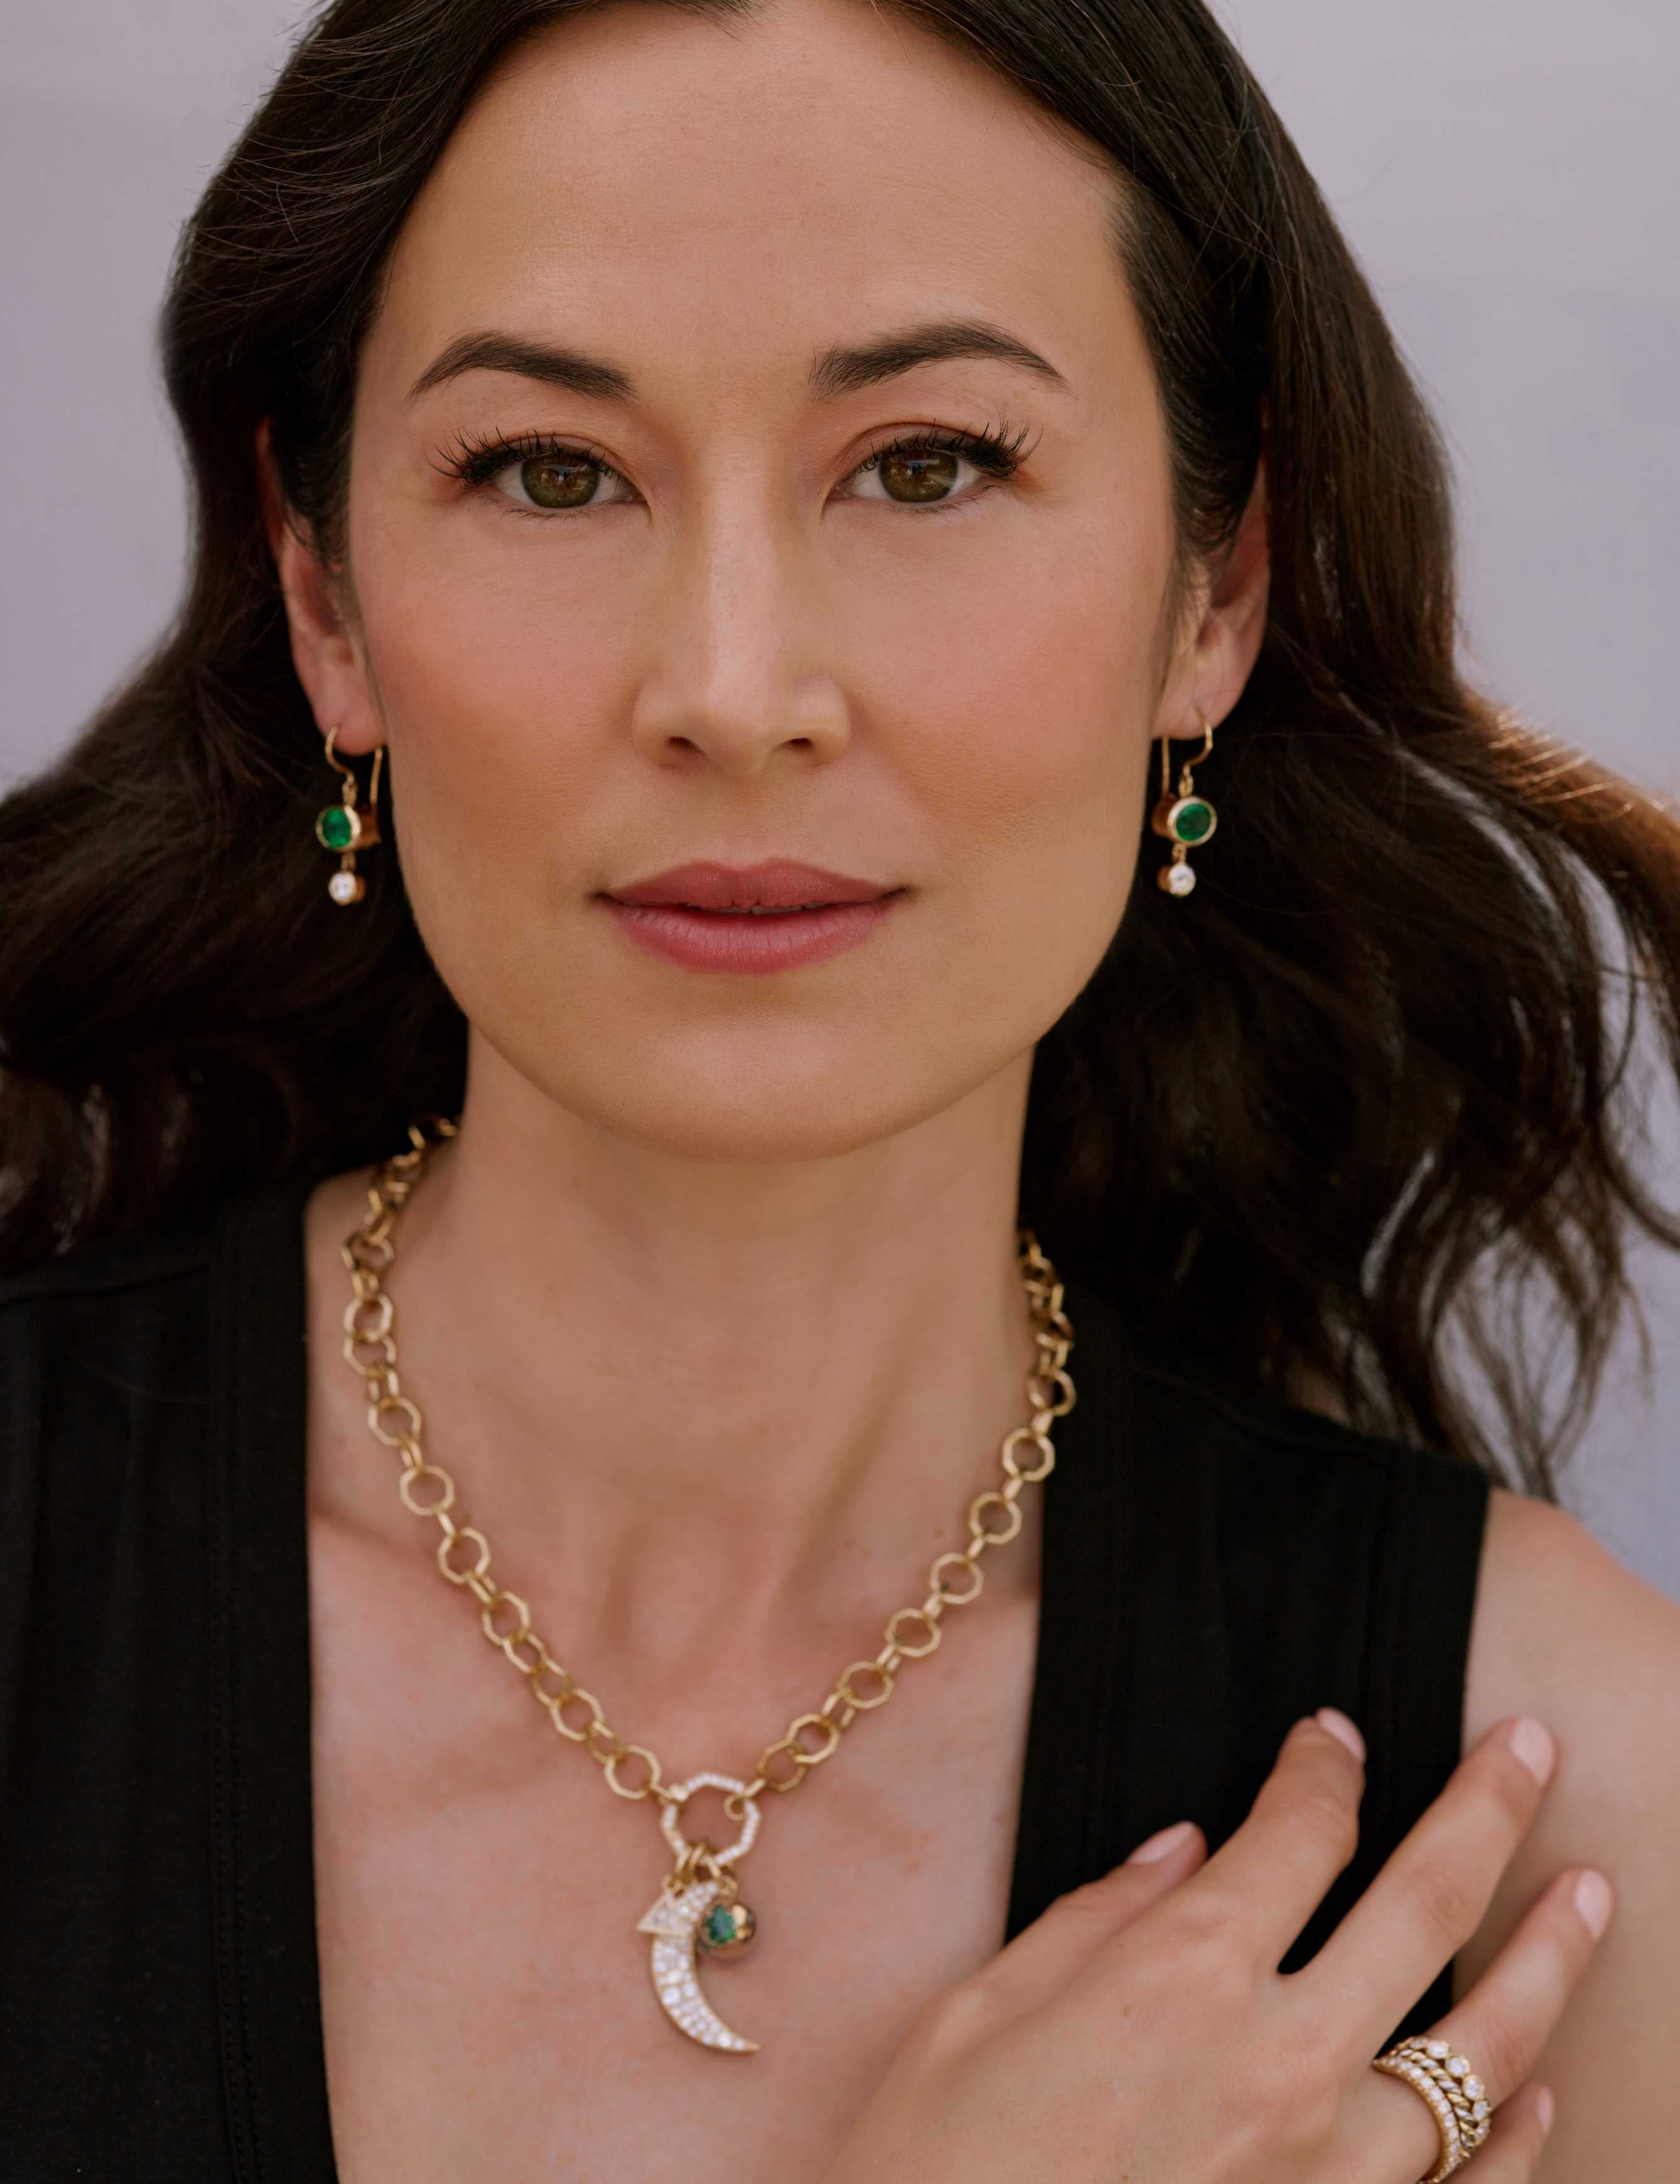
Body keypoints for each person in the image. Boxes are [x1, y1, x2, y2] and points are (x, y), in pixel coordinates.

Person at [1, 0, 1677, 2176]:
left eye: (927, 465)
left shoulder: (1565, 1788)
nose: (733, 690)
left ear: (1217, 587)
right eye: (549, 471)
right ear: (327, 598)